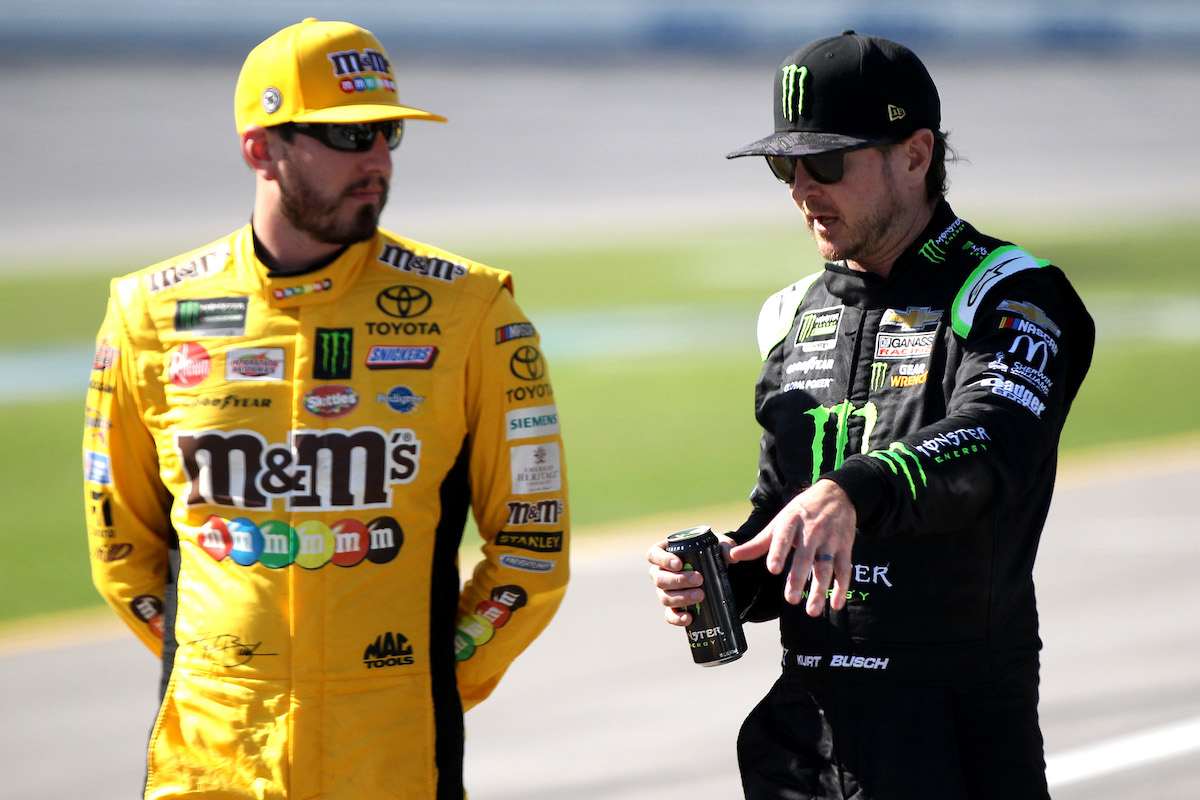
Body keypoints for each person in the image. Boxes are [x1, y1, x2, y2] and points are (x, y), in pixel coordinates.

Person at [82, 18, 569, 800]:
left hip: (394, 752)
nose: (377, 158)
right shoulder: (148, 314)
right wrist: (218, 665)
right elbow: (121, 548)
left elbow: (533, 550)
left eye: (386, 134)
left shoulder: (475, 312)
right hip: (210, 754)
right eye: (348, 137)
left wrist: (428, 680)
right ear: (260, 147)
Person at [647, 30, 1094, 799]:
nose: (800, 188)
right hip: (804, 743)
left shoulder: (1010, 293)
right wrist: (729, 572)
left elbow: (996, 445)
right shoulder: (791, 315)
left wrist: (853, 488)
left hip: (952, 733)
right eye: (784, 166)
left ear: (916, 155)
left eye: (824, 162)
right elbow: (783, 508)